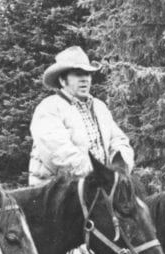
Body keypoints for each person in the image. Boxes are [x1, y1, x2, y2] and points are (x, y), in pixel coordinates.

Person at [29, 46, 134, 185]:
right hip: (58, 191)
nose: (85, 79)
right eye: (78, 74)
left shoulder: (99, 107)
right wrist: (99, 174)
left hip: (97, 186)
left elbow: (118, 140)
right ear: (62, 80)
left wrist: (120, 167)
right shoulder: (48, 108)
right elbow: (59, 153)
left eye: (88, 74)